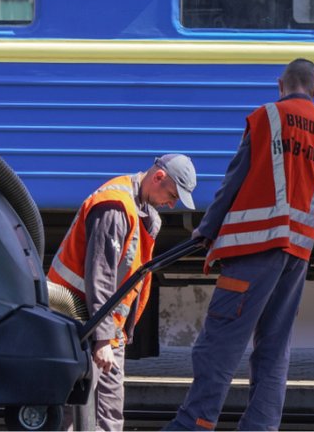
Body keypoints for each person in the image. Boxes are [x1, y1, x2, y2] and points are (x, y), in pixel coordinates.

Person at [164, 58, 314, 432]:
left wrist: (207, 229)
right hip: (296, 256)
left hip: (255, 247)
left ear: (281, 84)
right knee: (275, 349)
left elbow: (237, 177)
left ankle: (192, 425)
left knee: (220, 343)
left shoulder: (267, 119)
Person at [48, 153, 198, 432]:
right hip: (80, 321)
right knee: (91, 412)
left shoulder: (142, 211)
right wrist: (103, 339)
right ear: (158, 177)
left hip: (98, 324)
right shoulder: (115, 209)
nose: (172, 204)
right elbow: (101, 277)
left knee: (91, 411)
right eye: (172, 195)